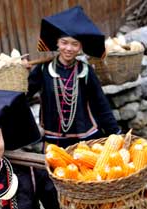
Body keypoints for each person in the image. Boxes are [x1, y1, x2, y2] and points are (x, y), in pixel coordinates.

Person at [27, 5, 120, 149]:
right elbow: (24, 96)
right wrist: (20, 75)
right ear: (57, 44)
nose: (69, 48)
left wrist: (116, 134)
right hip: (54, 140)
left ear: (80, 47)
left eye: (74, 44)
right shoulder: (43, 70)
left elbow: (101, 104)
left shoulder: (86, 71)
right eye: (64, 43)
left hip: (86, 138)